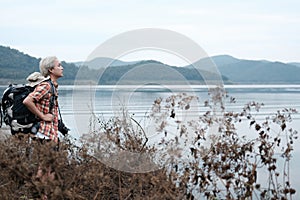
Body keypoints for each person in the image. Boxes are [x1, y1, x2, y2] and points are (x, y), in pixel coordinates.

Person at [23, 56, 64, 143]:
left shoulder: (52, 86)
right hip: (43, 134)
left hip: (50, 134)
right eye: (59, 65)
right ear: (51, 70)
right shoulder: (46, 86)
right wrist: (42, 116)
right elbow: (27, 101)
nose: (62, 68)